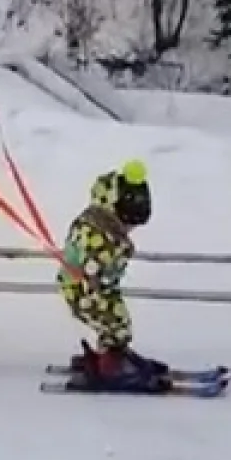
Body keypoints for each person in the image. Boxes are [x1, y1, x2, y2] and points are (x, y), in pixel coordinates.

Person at [55, 159, 172, 392]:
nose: (130, 231)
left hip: (93, 290)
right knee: (116, 324)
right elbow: (93, 267)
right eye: (128, 225)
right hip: (86, 292)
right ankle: (111, 367)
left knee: (115, 323)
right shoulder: (97, 236)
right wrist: (97, 271)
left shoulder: (102, 228)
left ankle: (111, 354)